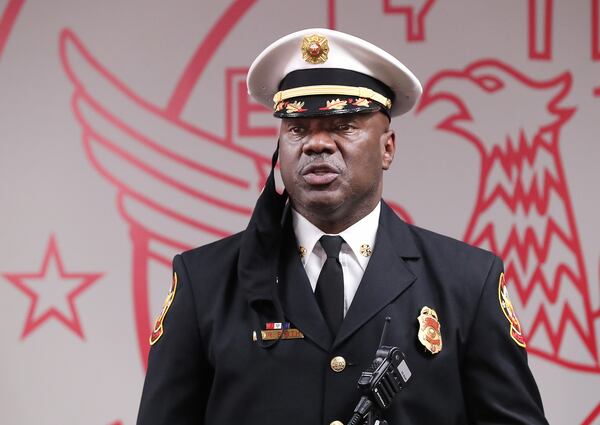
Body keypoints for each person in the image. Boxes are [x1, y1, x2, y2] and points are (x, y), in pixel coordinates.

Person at [136, 28, 549, 425]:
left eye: (342, 125)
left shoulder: (467, 283)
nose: (316, 143)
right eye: (298, 128)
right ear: (280, 146)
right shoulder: (204, 282)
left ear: (387, 148)